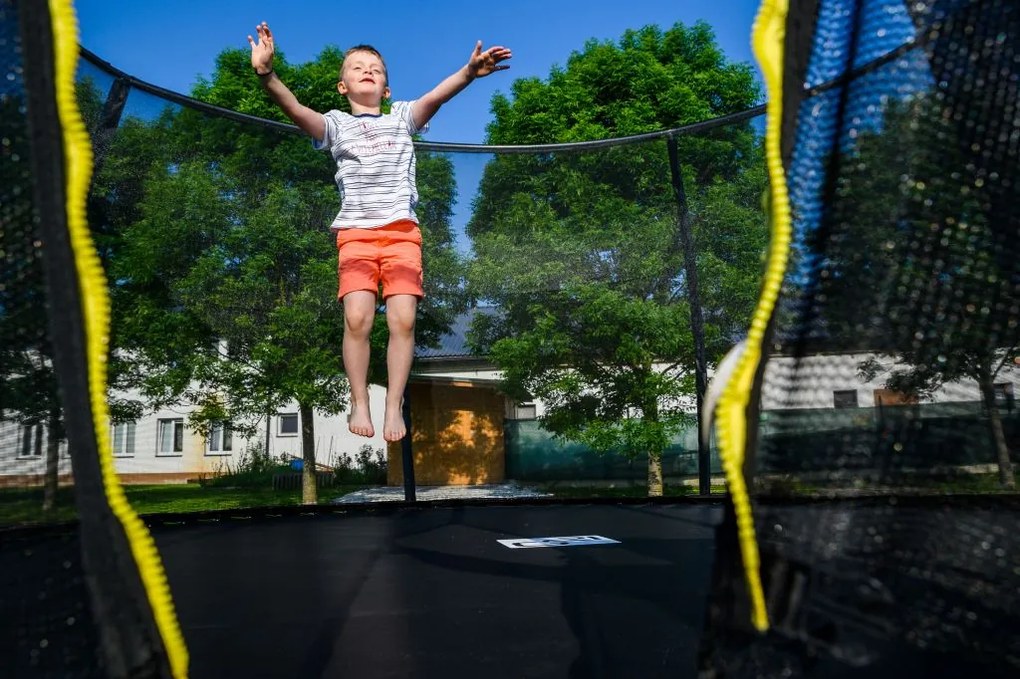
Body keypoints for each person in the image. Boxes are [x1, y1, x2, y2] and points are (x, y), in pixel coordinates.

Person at [247, 22, 511, 442]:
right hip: (355, 233)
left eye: (376, 68)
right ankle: (359, 401)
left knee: (403, 320)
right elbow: (295, 109)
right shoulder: (335, 125)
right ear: (342, 86)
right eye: (357, 67)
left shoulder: (403, 117)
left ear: (386, 88)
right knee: (357, 319)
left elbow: (435, 97)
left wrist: (467, 73)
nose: (367, 70)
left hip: (403, 233)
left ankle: (393, 407)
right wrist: (267, 74)